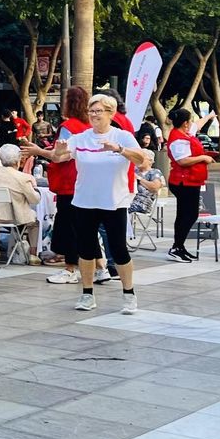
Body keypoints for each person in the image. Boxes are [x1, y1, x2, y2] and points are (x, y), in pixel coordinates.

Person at [51, 93, 144, 314]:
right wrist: (60, 151)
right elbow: (58, 156)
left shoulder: (122, 136)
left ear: (110, 114)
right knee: (85, 249)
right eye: (91, 111)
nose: (93, 115)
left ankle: (129, 294)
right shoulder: (81, 137)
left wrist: (119, 149)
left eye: (98, 111)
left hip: (114, 202)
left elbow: (142, 159)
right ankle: (87, 294)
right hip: (84, 201)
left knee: (119, 249)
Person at [25, 86, 106, 285]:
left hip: (69, 184)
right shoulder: (90, 127)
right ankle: (100, 268)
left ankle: (70, 269)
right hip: (86, 182)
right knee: (86, 228)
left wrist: (38, 150)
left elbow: (61, 156)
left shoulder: (69, 127)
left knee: (69, 227)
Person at [0, 144, 43, 263]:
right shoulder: (23, 178)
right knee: (34, 222)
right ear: (18, 159)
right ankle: (32, 255)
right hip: (16, 217)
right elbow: (34, 200)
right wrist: (35, 187)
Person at [165, 107, 212, 263]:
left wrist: (210, 116)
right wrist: (203, 158)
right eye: (189, 120)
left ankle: (179, 246)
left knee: (185, 214)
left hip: (190, 181)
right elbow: (182, 160)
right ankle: (177, 247)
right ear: (185, 123)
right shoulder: (179, 139)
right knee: (189, 214)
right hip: (184, 181)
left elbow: (197, 125)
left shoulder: (184, 133)